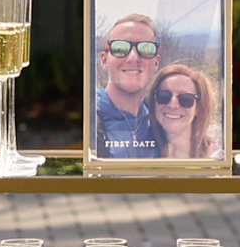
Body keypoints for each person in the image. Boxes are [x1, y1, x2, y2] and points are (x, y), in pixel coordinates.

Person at [91, 15, 166, 157]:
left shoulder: (162, 121)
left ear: (156, 62)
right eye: (120, 48)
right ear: (104, 60)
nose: (133, 58)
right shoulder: (87, 118)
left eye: (146, 49)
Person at [151, 61, 221, 160]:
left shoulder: (215, 159)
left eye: (186, 99)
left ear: (198, 108)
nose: (172, 105)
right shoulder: (139, 153)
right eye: (164, 96)